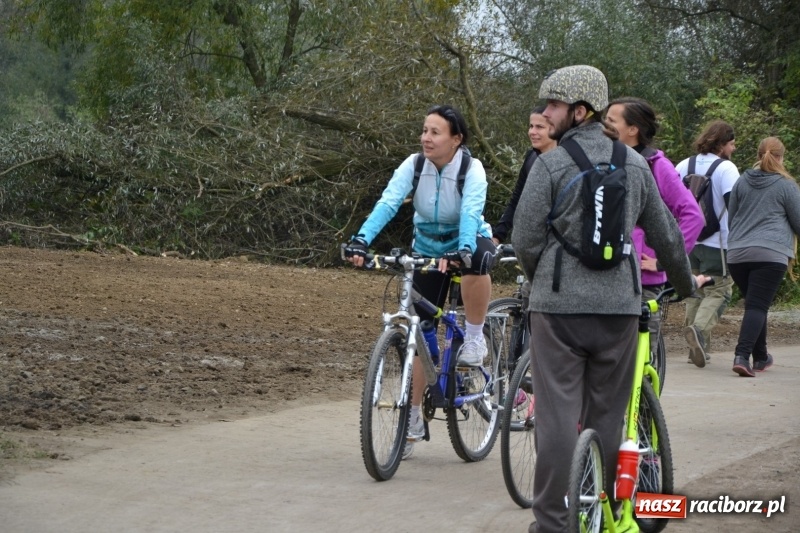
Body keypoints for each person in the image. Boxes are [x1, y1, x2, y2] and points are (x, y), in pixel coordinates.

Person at [511, 65, 705, 533]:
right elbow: (666, 234)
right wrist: (682, 284)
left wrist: (543, 281)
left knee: (557, 415)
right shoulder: (635, 164)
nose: (546, 113)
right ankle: (604, 509)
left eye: (554, 105)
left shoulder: (551, 163)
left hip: (558, 311)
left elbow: (524, 238)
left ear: (580, 111)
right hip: (619, 309)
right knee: (608, 414)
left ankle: (553, 523)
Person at [344, 104, 496, 459]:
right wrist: (361, 239)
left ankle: (475, 338)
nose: (426, 138)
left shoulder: (471, 169)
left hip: (467, 239)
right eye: (425, 131)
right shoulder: (413, 165)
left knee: (477, 261)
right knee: (418, 334)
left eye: (435, 132)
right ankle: (411, 420)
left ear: (456, 139)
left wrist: (463, 249)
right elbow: (388, 202)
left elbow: (470, 212)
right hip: (427, 248)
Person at [605, 97, 704, 354]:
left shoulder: (658, 166)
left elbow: (693, 215)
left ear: (633, 129)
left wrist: (664, 261)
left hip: (644, 281)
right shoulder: (605, 161)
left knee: (638, 357)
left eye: (611, 120)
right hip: (608, 275)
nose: (604, 125)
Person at [727, 137, 800, 377]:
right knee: (757, 305)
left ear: (759, 155)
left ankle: (761, 356)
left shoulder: (741, 181)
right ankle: (741, 355)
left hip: (737, 254)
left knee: (755, 304)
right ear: (780, 157)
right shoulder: (786, 185)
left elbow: (732, 218)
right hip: (770, 253)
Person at [675, 120, 740, 367]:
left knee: (695, 292)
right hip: (718, 242)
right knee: (720, 291)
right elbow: (734, 207)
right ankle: (699, 332)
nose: (733, 149)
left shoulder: (683, 165)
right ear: (721, 144)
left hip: (689, 241)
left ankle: (697, 350)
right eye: (731, 144)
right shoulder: (727, 168)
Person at [492, 105, 557, 246]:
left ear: (554, 129)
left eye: (539, 127)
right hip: (529, 242)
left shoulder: (566, 163)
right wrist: (497, 236)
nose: (532, 132)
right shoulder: (531, 158)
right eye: (531, 126)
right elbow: (517, 199)